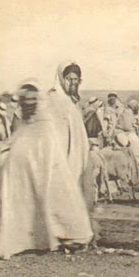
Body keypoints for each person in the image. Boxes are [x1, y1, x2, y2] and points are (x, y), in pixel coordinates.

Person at [0, 81, 93, 260]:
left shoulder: (45, 121)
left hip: (44, 167)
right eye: (26, 100)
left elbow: (48, 146)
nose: (29, 103)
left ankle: (60, 236)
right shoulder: (26, 123)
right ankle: (24, 239)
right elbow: (18, 138)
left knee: (54, 198)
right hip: (23, 168)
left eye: (33, 99)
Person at [48, 62, 90, 192]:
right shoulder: (52, 99)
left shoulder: (73, 102)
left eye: (76, 79)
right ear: (61, 79)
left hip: (75, 152)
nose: (73, 83)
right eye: (69, 79)